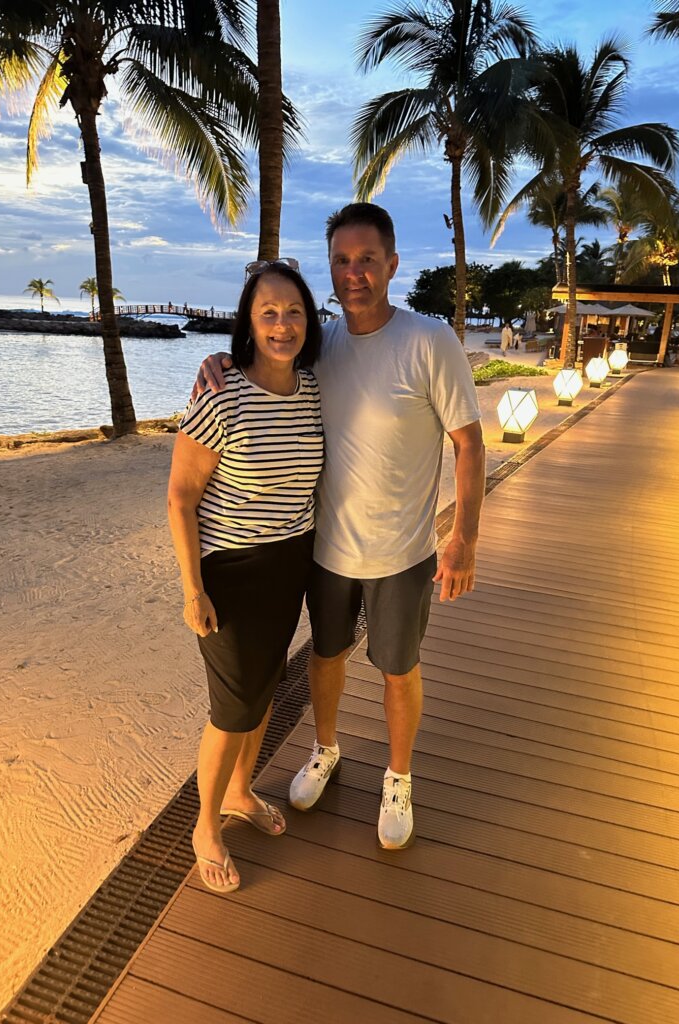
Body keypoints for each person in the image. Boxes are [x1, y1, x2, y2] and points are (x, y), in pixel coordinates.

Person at [197, 203, 484, 851]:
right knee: (325, 658)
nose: (354, 273)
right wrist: (215, 361)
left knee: (397, 668)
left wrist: (463, 535)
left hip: (404, 553)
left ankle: (399, 777)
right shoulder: (321, 340)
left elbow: (470, 443)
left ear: (392, 264)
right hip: (326, 549)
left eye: (367, 260)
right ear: (331, 267)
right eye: (342, 261)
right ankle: (325, 750)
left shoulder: (429, 340)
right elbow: (269, 352)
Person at [167, 261, 323, 893]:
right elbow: (180, 497)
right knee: (232, 708)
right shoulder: (220, 395)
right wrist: (192, 589)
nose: (282, 325)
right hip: (228, 572)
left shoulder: (313, 389)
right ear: (248, 323)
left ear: (309, 321)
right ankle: (205, 826)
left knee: (263, 688)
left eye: (293, 312)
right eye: (268, 313)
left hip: (290, 567)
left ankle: (238, 792)